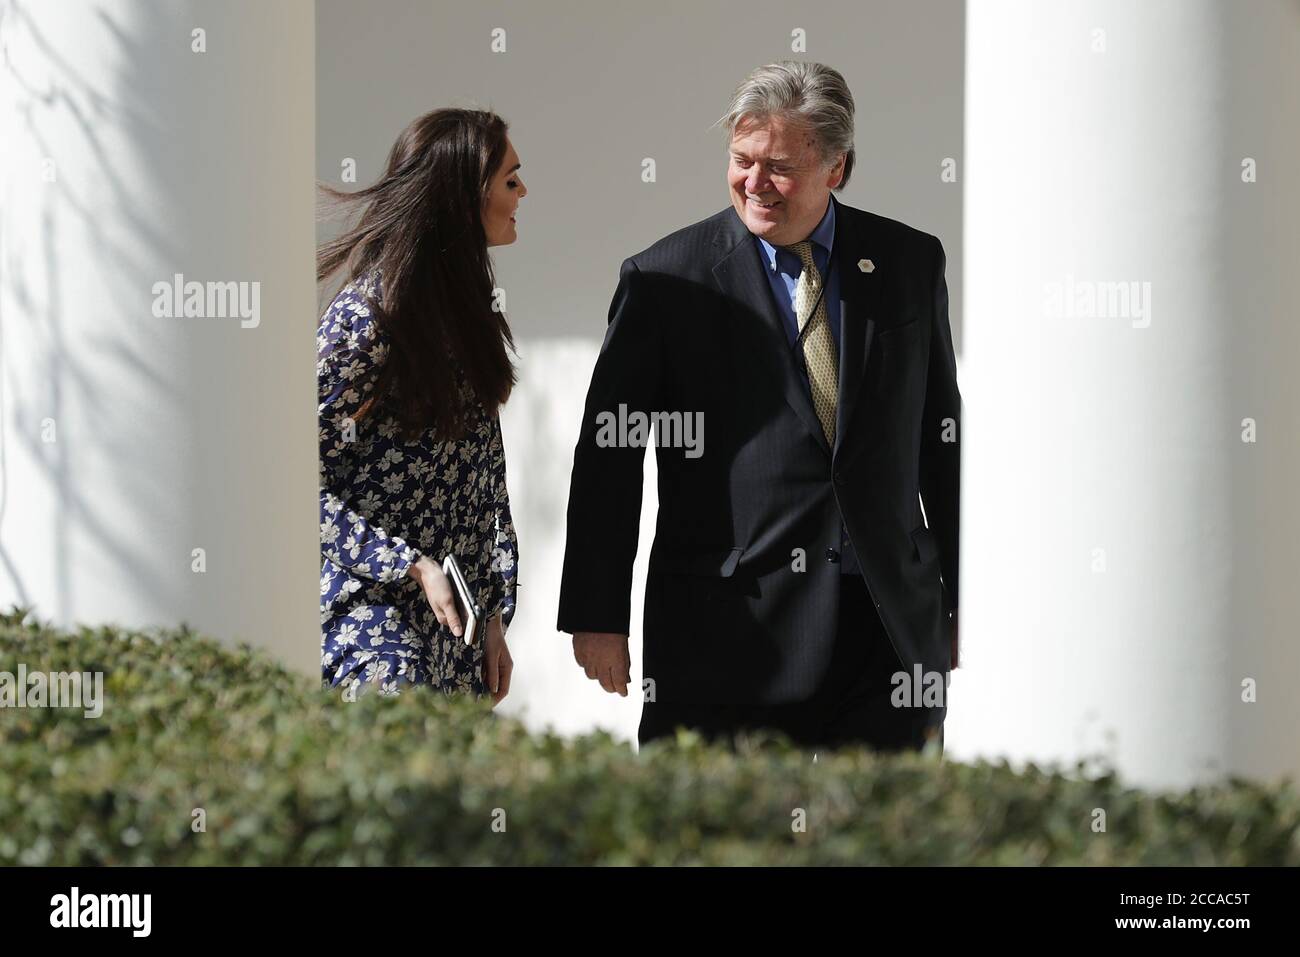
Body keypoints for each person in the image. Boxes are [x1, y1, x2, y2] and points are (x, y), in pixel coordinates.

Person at [558, 62, 961, 751]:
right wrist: (598, 614)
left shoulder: (907, 263)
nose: (754, 183)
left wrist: (955, 593)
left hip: (886, 636)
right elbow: (609, 455)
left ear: (836, 168)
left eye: (779, 167)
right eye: (742, 161)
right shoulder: (664, 281)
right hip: (728, 637)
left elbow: (939, 442)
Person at [317, 108, 525, 703]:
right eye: (510, 179)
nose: (522, 191)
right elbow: (295, 481)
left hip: (450, 626)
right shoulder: (367, 320)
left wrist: (490, 617)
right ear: (463, 194)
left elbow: (482, 480)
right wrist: (410, 564)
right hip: (370, 617)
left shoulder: (469, 315)